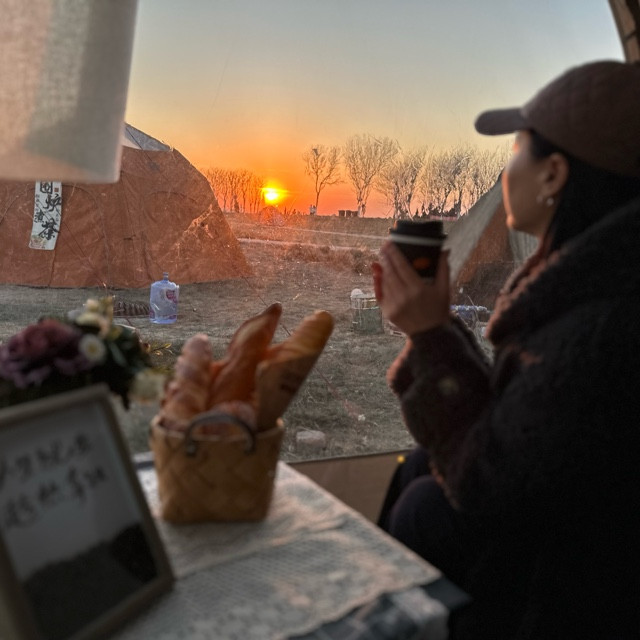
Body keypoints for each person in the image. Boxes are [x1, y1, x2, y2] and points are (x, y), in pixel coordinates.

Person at [372, 60, 640, 639]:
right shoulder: (591, 280)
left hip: (583, 581)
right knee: (417, 464)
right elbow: (522, 422)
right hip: (575, 519)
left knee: (424, 505)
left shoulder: (605, 324)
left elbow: (489, 482)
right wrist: (436, 328)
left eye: (516, 147)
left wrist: (430, 335)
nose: (505, 167)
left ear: (553, 174)